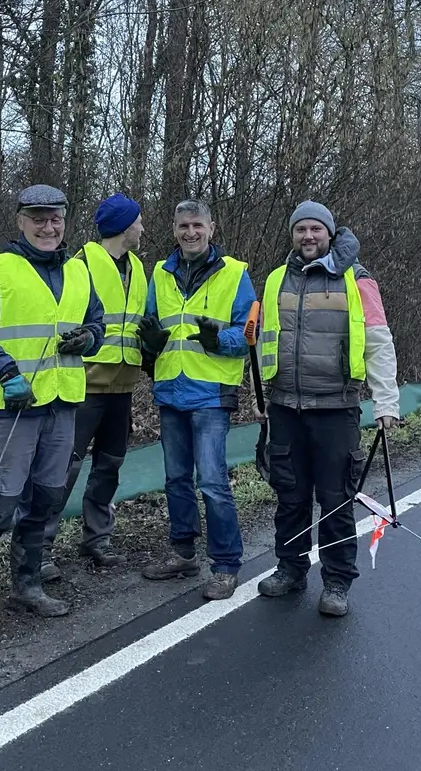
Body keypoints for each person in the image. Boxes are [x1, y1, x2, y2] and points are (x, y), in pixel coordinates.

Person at [0, 184, 106, 641]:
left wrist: (89, 339)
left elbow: (95, 323)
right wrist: (5, 372)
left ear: (65, 221)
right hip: (13, 408)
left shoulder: (79, 273)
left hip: (62, 405)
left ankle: (28, 585)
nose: (48, 226)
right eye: (37, 217)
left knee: (47, 499)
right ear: (20, 221)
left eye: (55, 217)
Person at [254, 200, 402, 617]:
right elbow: (266, 340)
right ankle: (291, 568)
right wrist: (263, 397)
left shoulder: (357, 279)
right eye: (301, 229)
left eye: (316, 229)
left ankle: (337, 581)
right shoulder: (277, 279)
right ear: (293, 234)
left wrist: (386, 401)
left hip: (337, 409)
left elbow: (378, 340)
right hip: (286, 407)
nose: (308, 237)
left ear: (330, 234)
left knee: (336, 500)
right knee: (290, 495)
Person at [135, 199, 256, 600]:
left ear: (211, 228)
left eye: (197, 226)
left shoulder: (236, 274)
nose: (191, 233)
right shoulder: (161, 273)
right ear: (174, 230)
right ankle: (183, 551)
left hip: (211, 394)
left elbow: (249, 335)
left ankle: (225, 565)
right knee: (175, 479)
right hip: (171, 390)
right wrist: (148, 343)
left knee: (213, 480)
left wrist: (218, 339)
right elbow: (150, 326)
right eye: (183, 226)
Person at [29, 192, 147, 582]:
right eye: (138, 221)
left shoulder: (138, 269)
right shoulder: (81, 265)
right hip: (86, 386)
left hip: (123, 385)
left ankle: (98, 538)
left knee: (109, 467)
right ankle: (40, 547)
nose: (143, 228)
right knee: (64, 469)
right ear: (124, 226)